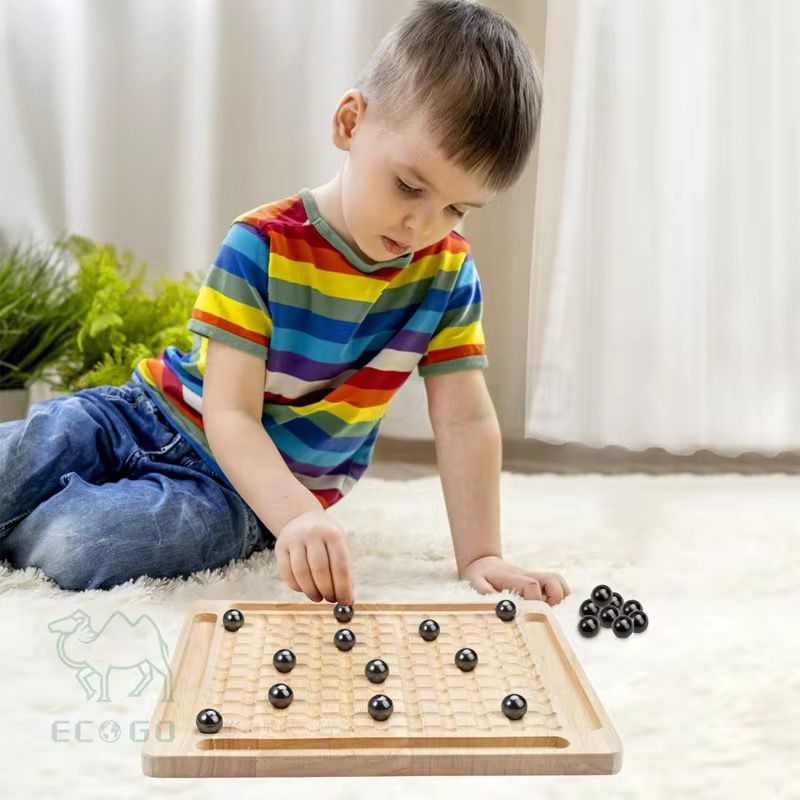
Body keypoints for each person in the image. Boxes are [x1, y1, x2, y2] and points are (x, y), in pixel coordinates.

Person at [0, 0, 570, 607]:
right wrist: (302, 516)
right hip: (145, 414)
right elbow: (231, 414)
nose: (422, 225)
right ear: (350, 123)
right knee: (39, 444)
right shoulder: (263, 244)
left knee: (78, 545)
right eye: (409, 186)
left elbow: (465, 420)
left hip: (241, 494)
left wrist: (480, 553)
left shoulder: (448, 273)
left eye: (456, 208)